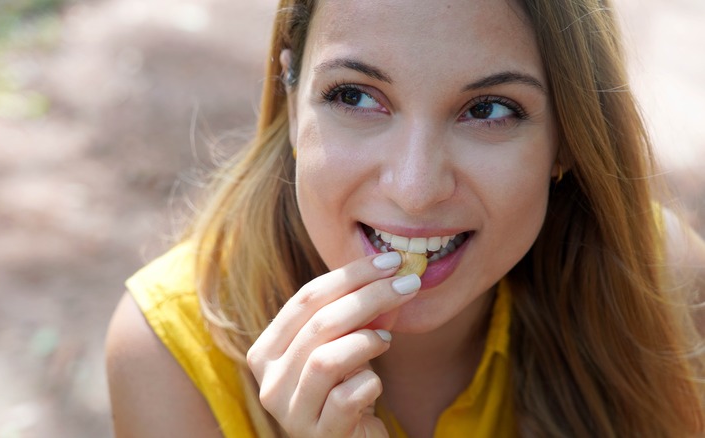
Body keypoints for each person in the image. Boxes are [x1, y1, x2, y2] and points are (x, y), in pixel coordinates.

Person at [105, 0, 705, 436]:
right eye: (356, 96)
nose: (415, 190)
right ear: (291, 100)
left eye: (489, 109)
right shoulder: (167, 352)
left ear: (568, 140)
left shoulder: (663, 284)